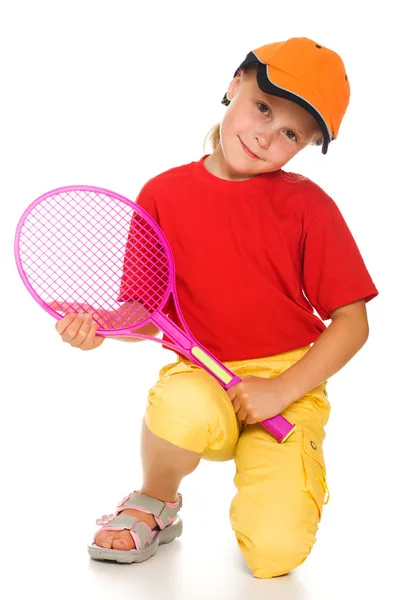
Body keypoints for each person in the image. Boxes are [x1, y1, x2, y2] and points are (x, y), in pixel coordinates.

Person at [54, 37, 378, 578]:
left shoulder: (309, 208)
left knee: (275, 556)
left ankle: (288, 477)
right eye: (264, 107)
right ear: (235, 85)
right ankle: (157, 500)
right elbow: (143, 309)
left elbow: (352, 322)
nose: (265, 135)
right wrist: (102, 325)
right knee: (179, 406)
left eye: (291, 133)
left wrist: (281, 389)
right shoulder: (162, 193)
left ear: (308, 144)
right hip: (202, 371)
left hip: (286, 386)